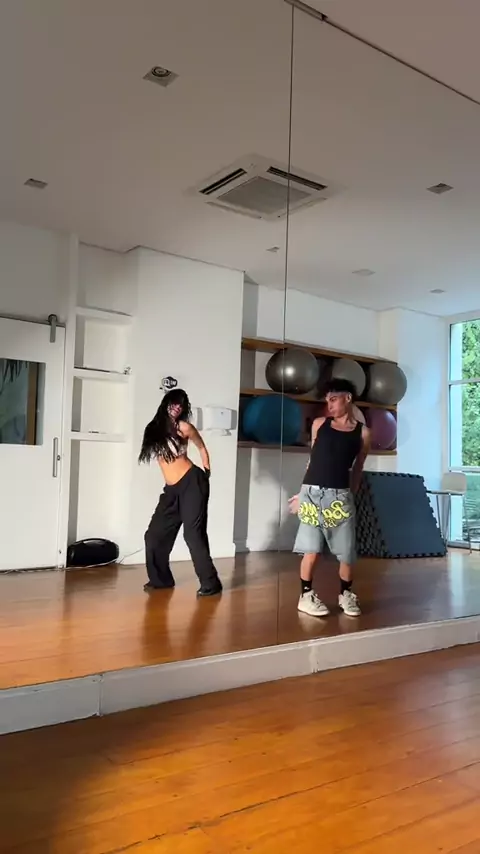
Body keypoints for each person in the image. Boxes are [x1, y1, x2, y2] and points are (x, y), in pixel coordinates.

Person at [289, 378, 370, 618]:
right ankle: (305, 596)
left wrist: (350, 496)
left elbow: (358, 468)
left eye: (333, 399)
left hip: (340, 497)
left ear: (348, 398)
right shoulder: (319, 424)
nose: (329, 405)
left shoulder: (363, 433)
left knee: (346, 552)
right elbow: (312, 461)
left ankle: (346, 595)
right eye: (327, 401)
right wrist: (301, 494)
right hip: (312, 494)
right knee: (311, 549)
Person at [138, 389, 222, 597]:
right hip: (171, 490)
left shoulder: (184, 427)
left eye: (181, 405)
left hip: (192, 482)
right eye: (174, 403)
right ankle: (161, 580)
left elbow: (201, 447)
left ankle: (211, 583)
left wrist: (206, 471)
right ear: (166, 403)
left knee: (192, 535)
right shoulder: (154, 429)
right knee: (153, 536)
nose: (177, 408)